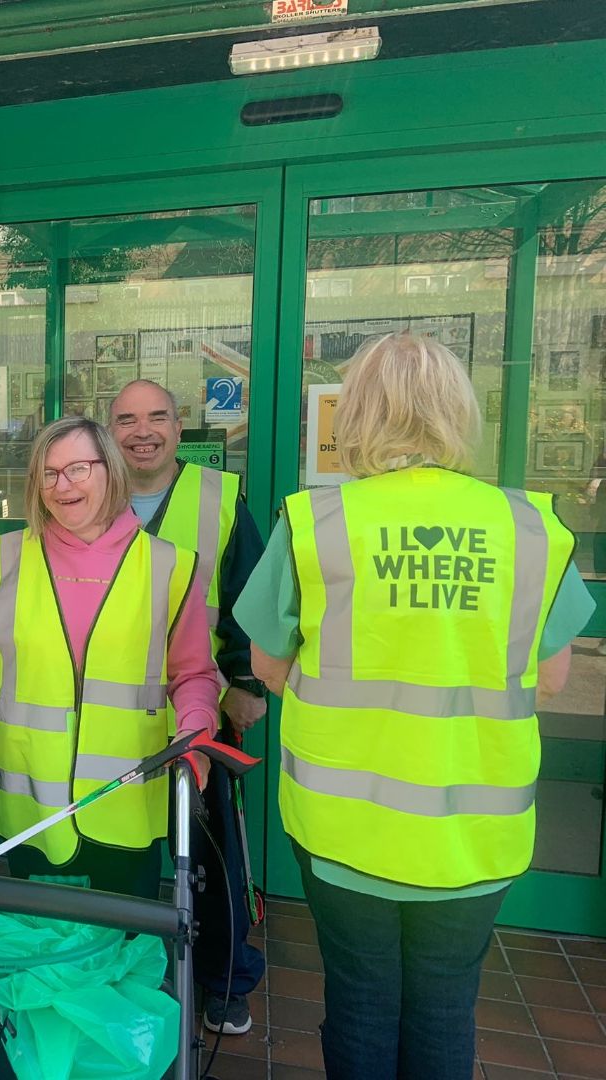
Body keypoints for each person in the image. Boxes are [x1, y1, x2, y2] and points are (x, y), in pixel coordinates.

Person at [236, 333, 595, 1080]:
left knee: (363, 999)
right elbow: (553, 678)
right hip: (475, 830)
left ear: (356, 414)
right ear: (459, 414)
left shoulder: (316, 523)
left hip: (345, 828)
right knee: (443, 1005)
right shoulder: (529, 528)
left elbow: (267, 666)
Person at [0, 415, 220, 897]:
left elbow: (194, 673)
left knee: (120, 953)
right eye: (48, 473)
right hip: (32, 808)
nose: (62, 486)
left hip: (124, 804)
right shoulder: (7, 559)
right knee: (46, 951)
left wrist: (194, 729)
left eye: (78, 469)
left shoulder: (166, 565)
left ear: (111, 470)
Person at [107, 379, 268, 1035]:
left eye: (156, 417)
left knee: (209, 854)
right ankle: (122, 967)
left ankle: (223, 979)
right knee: (124, 850)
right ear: (108, 430)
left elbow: (252, 602)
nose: (142, 431)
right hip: (108, 712)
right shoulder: (86, 489)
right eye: (125, 420)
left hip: (198, 711)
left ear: (180, 427)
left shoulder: (220, 499)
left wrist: (246, 684)